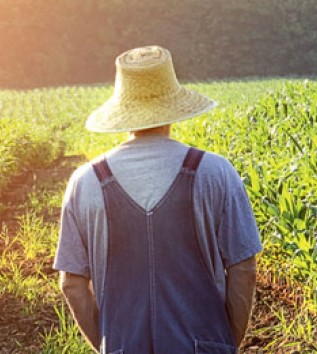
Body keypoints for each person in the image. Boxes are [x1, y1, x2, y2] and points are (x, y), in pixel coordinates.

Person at [53, 45, 262, 354]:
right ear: (173, 107)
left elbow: (71, 283)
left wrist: (108, 344)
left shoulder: (85, 182)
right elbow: (244, 268)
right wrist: (227, 340)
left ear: (123, 112)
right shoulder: (215, 172)